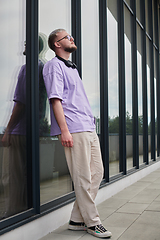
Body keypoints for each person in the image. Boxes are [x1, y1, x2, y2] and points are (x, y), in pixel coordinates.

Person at [43, 28, 112, 238]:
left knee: (97, 172)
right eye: (67, 37)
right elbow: (55, 100)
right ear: (57, 44)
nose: (72, 39)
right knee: (82, 176)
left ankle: (76, 218)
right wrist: (64, 130)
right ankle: (92, 222)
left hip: (88, 126)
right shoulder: (54, 66)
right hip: (73, 127)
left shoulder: (71, 67)